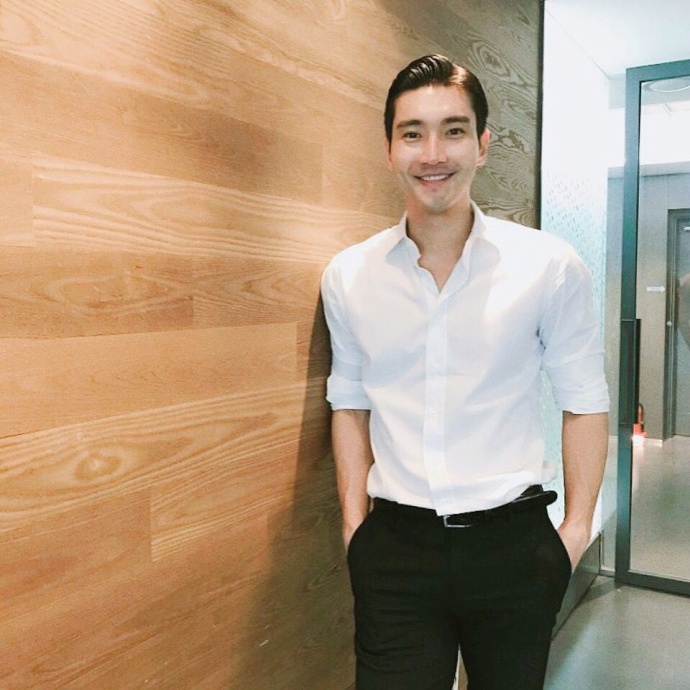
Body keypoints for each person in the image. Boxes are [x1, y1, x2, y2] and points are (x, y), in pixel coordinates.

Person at [320, 54, 609, 690]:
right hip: (395, 550)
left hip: (514, 548)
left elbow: (585, 400)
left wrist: (573, 534)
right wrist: (354, 526)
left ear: (482, 144)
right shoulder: (349, 275)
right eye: (412, 133)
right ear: (389, 149)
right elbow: (350, 401)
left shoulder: (548, 266)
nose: (433, 154)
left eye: (453, 131)